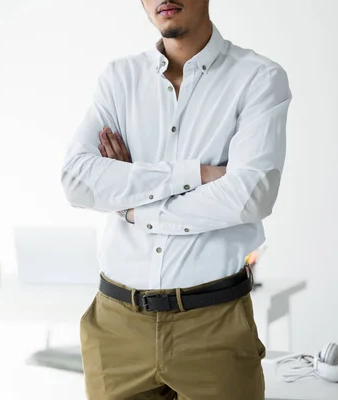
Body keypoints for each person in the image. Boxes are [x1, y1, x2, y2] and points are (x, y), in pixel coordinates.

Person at [60, 0, 291, 398]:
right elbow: (77, 181)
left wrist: (132, 203)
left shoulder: (257, 78)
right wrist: (194, 174)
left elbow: (250, 196)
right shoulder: (119, 79)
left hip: (213, 325)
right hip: (115, 326)